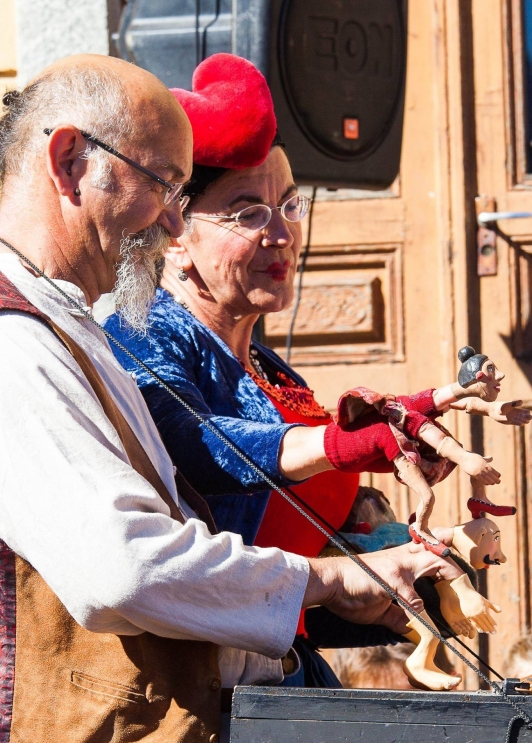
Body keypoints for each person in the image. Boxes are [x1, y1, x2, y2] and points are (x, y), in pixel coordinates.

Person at [0, 54, 454, 743]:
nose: (173, 217)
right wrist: (326, 572)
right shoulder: (26, 340)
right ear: (71, 161)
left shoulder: (73, 330)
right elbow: (129, 567)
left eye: (183, 192)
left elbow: (196, 559)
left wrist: (397, 567)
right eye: (164, 184)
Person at [103, 54, 525, 687]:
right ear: (175, 234)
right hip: (194, 705)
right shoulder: (140, 334)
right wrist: (341, 445)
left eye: (289, 205)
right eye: (248, 213)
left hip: (277, 679)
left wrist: (391, 569)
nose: (282, 234)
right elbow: (192, 446)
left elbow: (304, 576)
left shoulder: (270, 371)